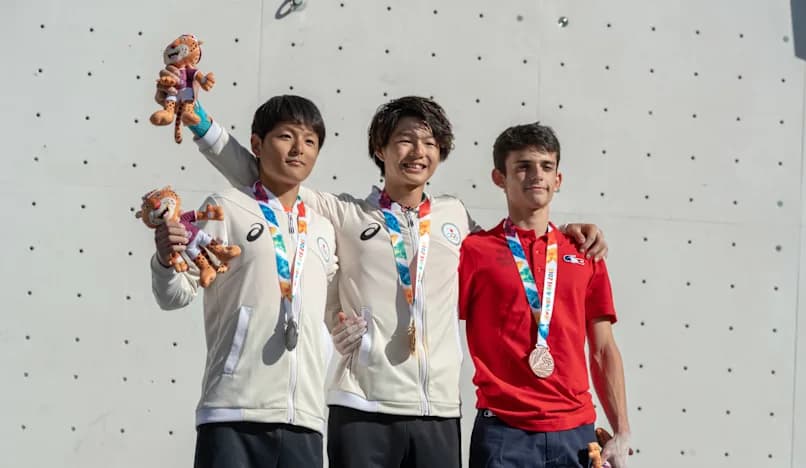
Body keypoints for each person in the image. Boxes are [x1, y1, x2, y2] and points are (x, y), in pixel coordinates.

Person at [155, 70, 608, 467]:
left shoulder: (455, 217)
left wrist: (569, 233)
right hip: (361, 407)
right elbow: (266, 175)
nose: (418, 151)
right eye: (405, 140)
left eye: (430, 142)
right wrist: (198, 121)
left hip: (438, 412)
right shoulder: (344, 213)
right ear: (381, 148)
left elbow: (516, 246)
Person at [150, 95, 338, 468]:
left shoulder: (323, 226)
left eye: (310, 141)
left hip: (305, 419)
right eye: (286, 136)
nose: (299, 149)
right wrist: (165, 259)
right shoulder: (225, 208)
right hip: (232, 414)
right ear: (257, 144)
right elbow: (175, 295)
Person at [458, 123, 631, 468]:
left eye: (546, 166)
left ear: (558, 180)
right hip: (503, 432)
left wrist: (622, 431)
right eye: (523, 166)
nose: (536, 175)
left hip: (577, 432)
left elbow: (602, 348)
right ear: (499, 177)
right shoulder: (473, 251)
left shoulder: (584, 251)